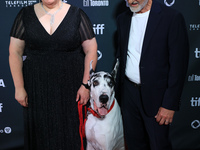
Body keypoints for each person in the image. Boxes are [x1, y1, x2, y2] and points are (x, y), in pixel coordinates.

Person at [9, 0, 97, 149]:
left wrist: (85, 85)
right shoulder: (25, 15)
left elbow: (91, 50)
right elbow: (15, 52)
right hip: (36, 87)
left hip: (71, 88)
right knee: (40, 134)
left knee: (70, 133)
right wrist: (19, 87)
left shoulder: (77, 15)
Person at [115, 0, 189, 149]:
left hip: (157, 98)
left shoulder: (171, 18)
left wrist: (169, 104)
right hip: (129, 95)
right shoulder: (123, 19)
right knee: (134, 144)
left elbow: (178, 66)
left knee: (158, 145)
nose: (131, 1)